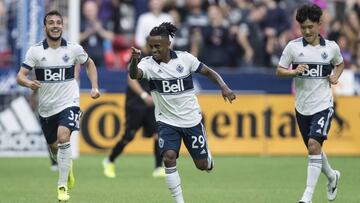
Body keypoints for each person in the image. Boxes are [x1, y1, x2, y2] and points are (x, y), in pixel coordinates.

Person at [129, 22, 236, 203]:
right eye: (151, 46)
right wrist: (134, 60)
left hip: (192, 120)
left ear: (168, 44)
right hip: (166, 122)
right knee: (168, 157)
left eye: (157, 46)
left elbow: (208, 72)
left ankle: (207, 158)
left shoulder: (185, 59)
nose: (153, 50)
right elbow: (134, 75)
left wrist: (224, 87)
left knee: (202, 165)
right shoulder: (147, 64)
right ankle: (179, 201)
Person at [16, 10, 100, 202]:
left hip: (69, 102)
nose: (55, 26)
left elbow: (90, 64)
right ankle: (66, 167)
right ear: (45, 27)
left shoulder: (73, 49)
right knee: (54, 148)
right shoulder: (35, 51)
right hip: (46, 108)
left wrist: (94, 87)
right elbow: (20, 76)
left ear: (62, 26)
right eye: (51, 23)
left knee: (64, 137)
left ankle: (62, 187)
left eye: (58, 22)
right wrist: (28, 83)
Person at [276, 4, 344, 203]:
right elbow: (279, 70)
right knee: (314, 149)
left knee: (314, 145)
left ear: (319, 25)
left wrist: (335, 76)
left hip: (323, 105)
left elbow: (340, 63)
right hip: (302, 107)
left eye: (310, 27)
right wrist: (293, 72)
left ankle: (307, 196)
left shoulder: (330, 47)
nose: (306, 31)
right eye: (303, 27)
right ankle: (332, 176)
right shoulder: (293, 47)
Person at [102, 71, 165, 178]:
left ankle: (158, 168)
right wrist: (144, 95)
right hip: (136, 105)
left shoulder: (155, 58)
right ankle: (109, 160)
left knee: (157, 134)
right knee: (128, 136)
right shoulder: (137, 57)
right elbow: (131, 78)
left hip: (152, 105)